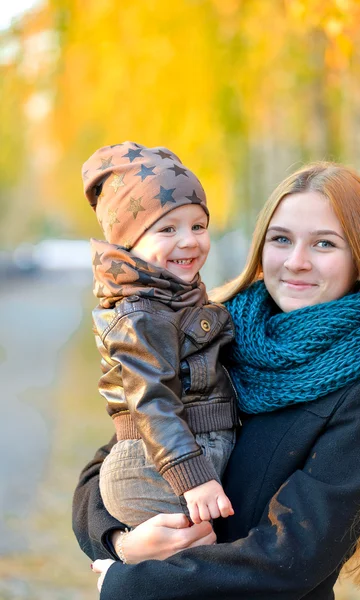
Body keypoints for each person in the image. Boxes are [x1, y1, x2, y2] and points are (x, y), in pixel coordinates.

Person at [73, 161, 360, 599]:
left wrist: (132, 582)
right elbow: (110, 463)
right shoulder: (213, 331)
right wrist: (122, 542)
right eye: (281, 239)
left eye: (324, 244)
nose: (297, 262)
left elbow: (291, 557)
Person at [81, 141, 238, 544]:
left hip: (177, 462)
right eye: (167, 228)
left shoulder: (175, 297)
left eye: (197, 226)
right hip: (154, 469)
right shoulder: (141, 314)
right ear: (129, 243)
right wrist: (193, 477)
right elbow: (153, 400)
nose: (188, 241)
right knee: (190, 564)